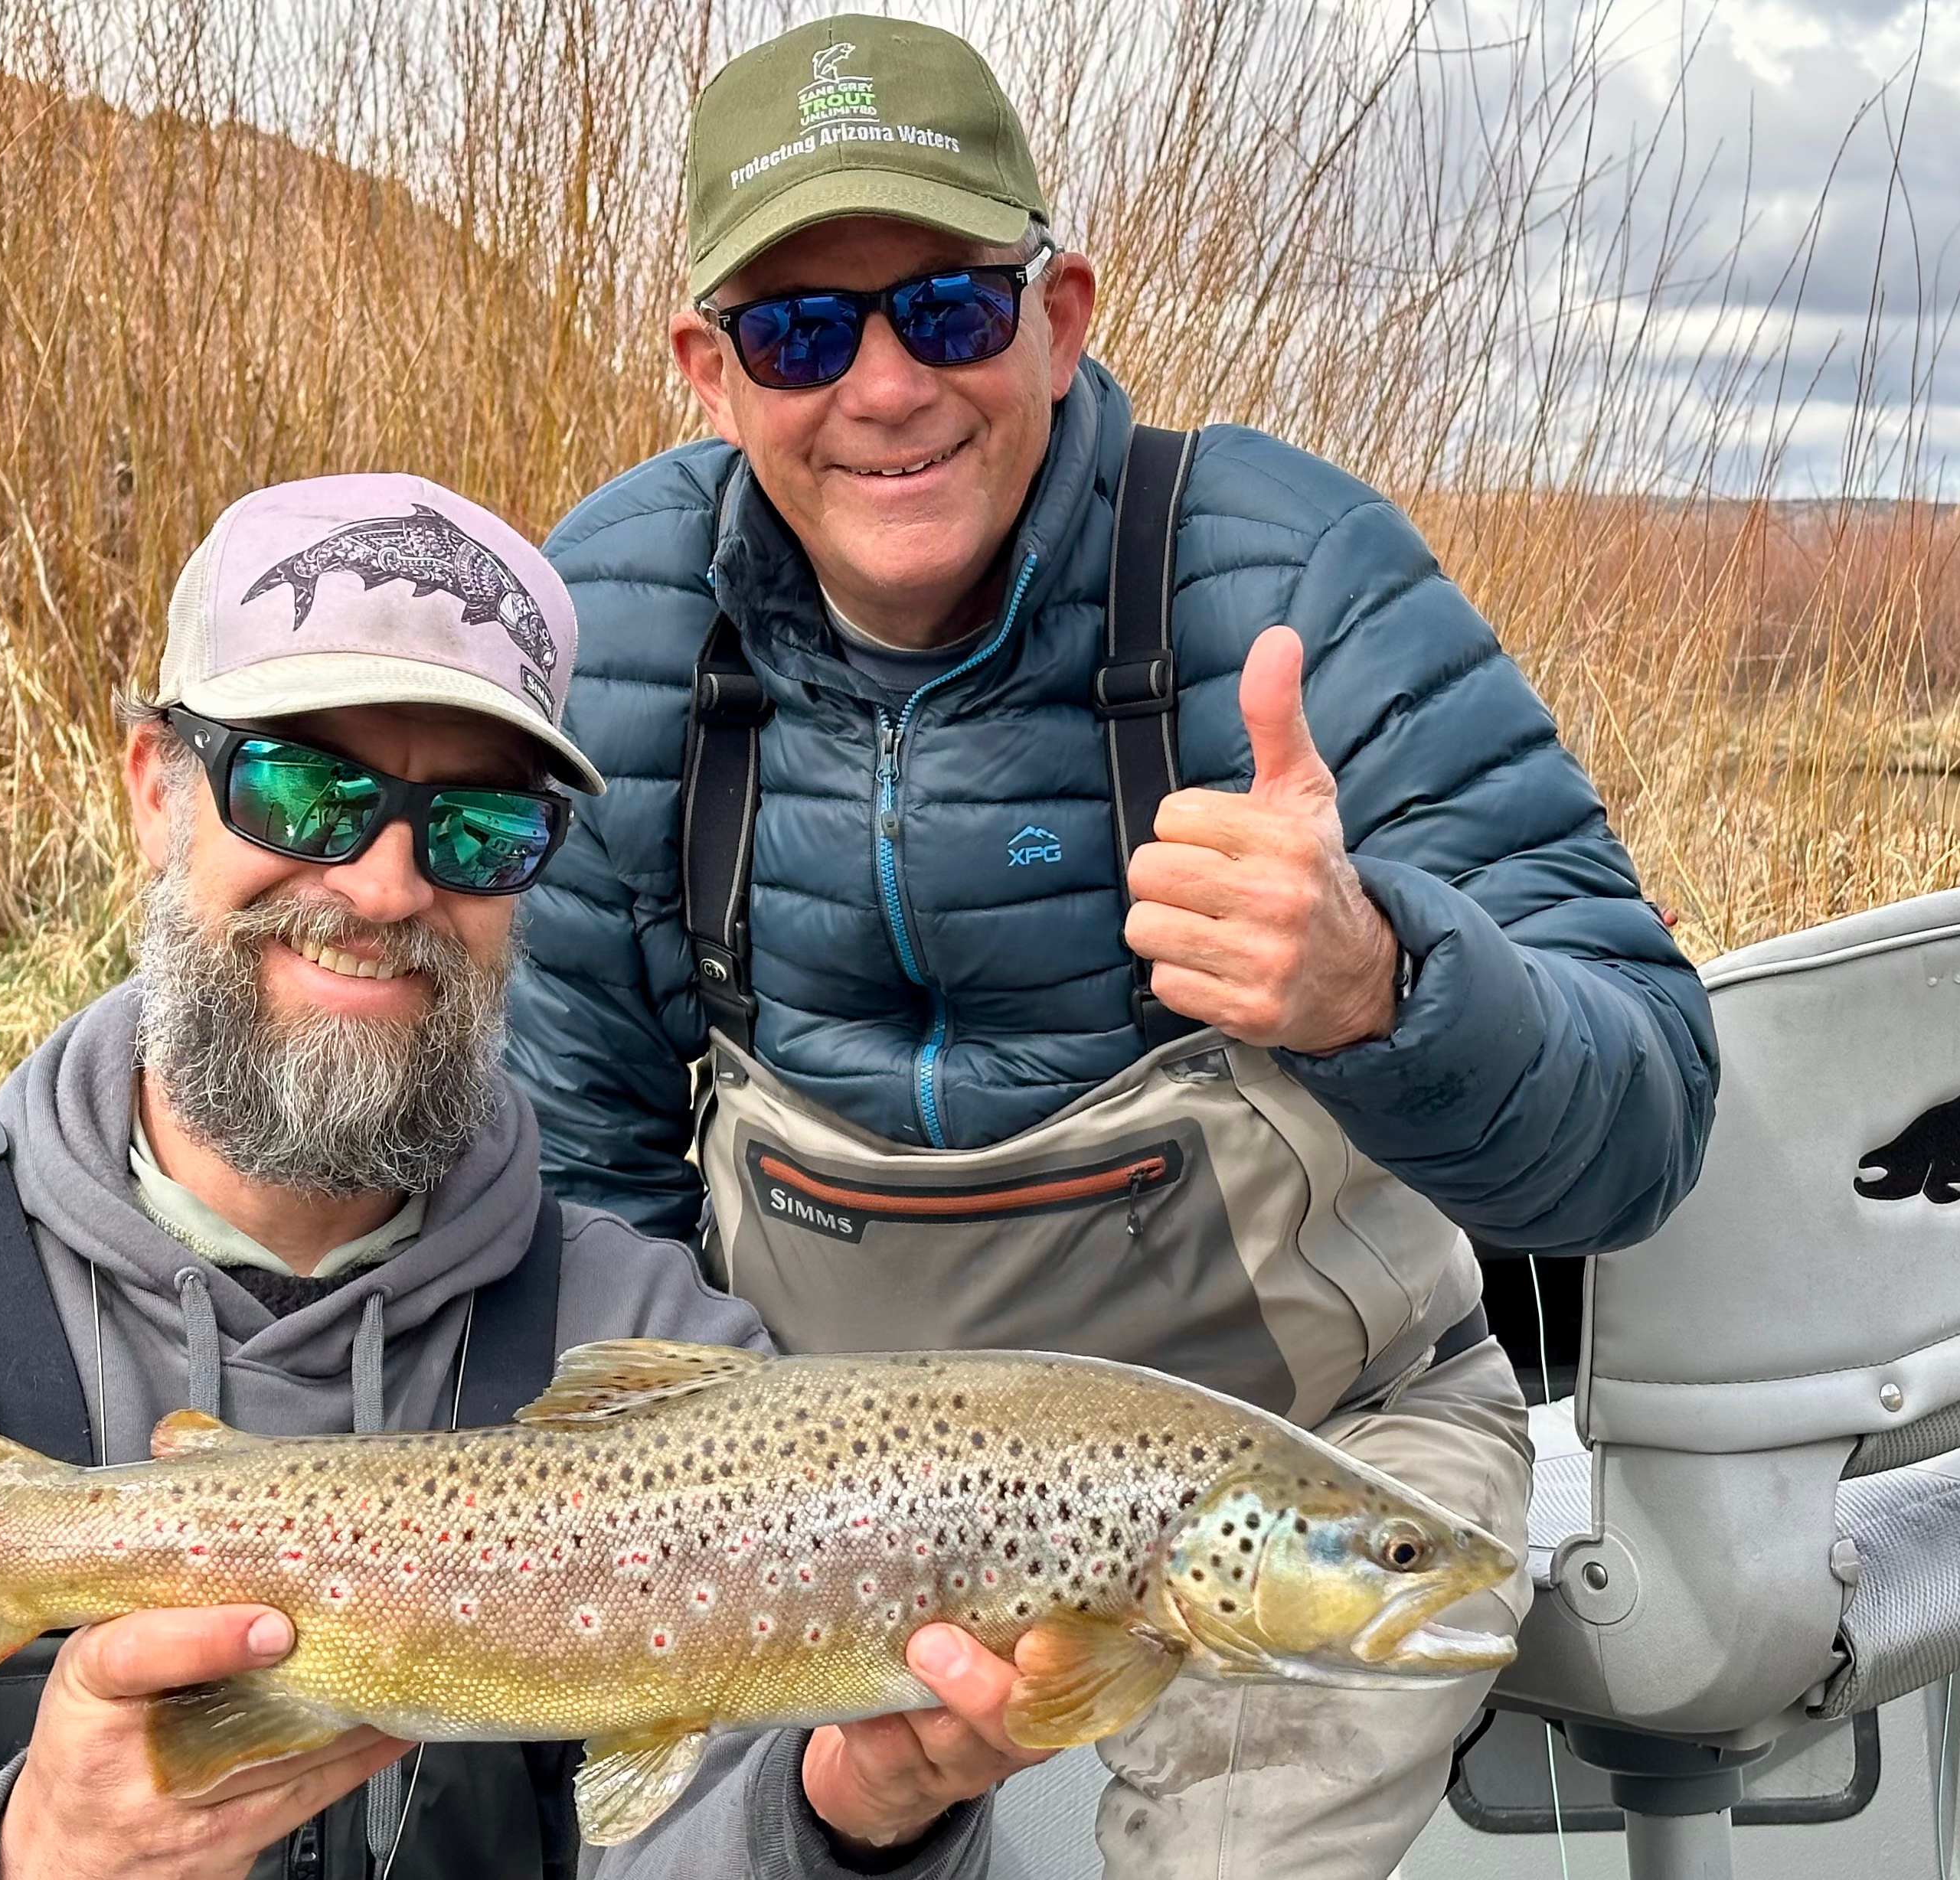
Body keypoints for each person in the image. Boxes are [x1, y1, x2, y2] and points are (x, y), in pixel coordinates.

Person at [508, 17, 1719, 1878]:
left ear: (1061, 313)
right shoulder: (615, 627)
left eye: (952, 309)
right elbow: (585, 1174)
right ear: (710, 371)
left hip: (1306, 1452)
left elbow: (1642, 1122)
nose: (886, 386)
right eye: (802, 333)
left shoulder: (1288, 582)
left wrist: (1382, 987)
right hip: (794, 1507)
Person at [0, 475, 1031, 1880]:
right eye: (305, 789)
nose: (383, 886)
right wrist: (20, 1857)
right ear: (153, 794)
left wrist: (847, 1820)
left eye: (478, 826)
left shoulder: (670, 1359)